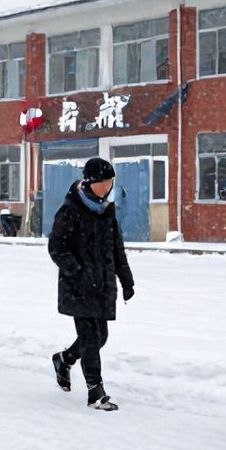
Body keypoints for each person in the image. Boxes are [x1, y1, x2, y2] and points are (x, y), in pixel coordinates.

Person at [47, 157, 135, 411]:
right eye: (103, 182)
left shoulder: (107, 210)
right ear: (90, 182)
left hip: (102, 284)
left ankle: (64, 359)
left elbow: (116, 248)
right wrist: (77, 271)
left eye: (110, 182)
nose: (107, 187)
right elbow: (57, 247)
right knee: (89, 337)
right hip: (78, 287)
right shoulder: (70, 209)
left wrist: (126, 279)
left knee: (100, 337)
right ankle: (95, 391)